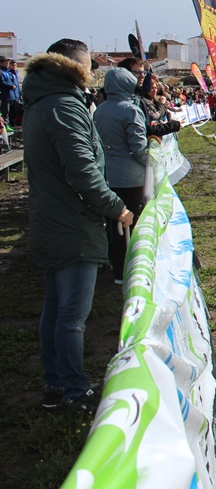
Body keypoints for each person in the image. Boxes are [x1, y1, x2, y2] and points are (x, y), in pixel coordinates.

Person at [23, 39, 134, 412]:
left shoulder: (41, 102)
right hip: (71, 223)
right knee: (71, 315)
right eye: (89, 67)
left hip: (52, 219)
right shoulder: (65, 106)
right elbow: (83, 171)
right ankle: (72, 389)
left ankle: (56, 384)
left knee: (55, 308)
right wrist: (116, 207)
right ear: (74, 67)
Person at [93, 67, 149, 283]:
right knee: (129, 223)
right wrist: (153, 162)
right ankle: (127, 269)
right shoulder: (130, 110)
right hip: (129, 177)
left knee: (112, 224)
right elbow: (138, 147)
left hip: (107, 174)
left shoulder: (100, 109)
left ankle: (115, 265)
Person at [1, 55, 21, 128]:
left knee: (12, 112)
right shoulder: (2, 72)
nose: (7, 65)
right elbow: (2, 82)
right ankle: (5, 125)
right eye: (6, 63)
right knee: (5, 112)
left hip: (12, 96)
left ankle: (10, 124)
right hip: (5, 96)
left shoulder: (10, 73)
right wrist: (11, 86)